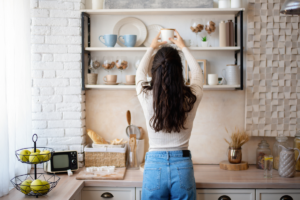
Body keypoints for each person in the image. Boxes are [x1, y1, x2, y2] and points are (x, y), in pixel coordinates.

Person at [135, 30, 204, 200]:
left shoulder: (146, 96)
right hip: (183, 166)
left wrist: (151, 48)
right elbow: (197, 74)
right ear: (179, 71)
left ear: (154, 71)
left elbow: (139, 74)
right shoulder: (190, 97)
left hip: (153, 166)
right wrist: (183, 47)